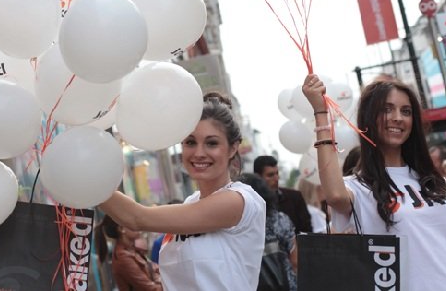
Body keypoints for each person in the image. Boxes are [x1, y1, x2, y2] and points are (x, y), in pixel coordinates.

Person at [303, 74, 446, 290]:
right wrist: (321, 113)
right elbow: (335, 195)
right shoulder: (358, 188)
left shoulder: (436, 183)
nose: (398, 118)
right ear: (369, 117)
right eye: (387, 109)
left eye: (406, 111)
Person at [100, 92, 266, 290]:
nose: (199, 153)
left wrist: (84, 181)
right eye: (190, 142)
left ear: (232, 148)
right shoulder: (190, 202)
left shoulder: (239, 200)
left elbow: (136, 217)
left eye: (212, 143)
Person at [238, 172, 297, 291]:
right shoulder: (280, 219)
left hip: (247, 283)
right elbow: (295, 260)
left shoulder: (234, 224)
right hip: (283, 282)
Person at [95, 215, 163, 291]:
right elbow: (150, 288)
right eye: (132, 222)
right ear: (121, 229)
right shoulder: (123, 258)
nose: (137, 225)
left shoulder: (132, 250)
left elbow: (154, 270)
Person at [253, 155, 313, 234]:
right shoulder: (251, 201)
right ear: (258, 177)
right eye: (270, 175)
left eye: (277, 173)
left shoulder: (294, 198)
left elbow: (306, 231)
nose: (276, 178)